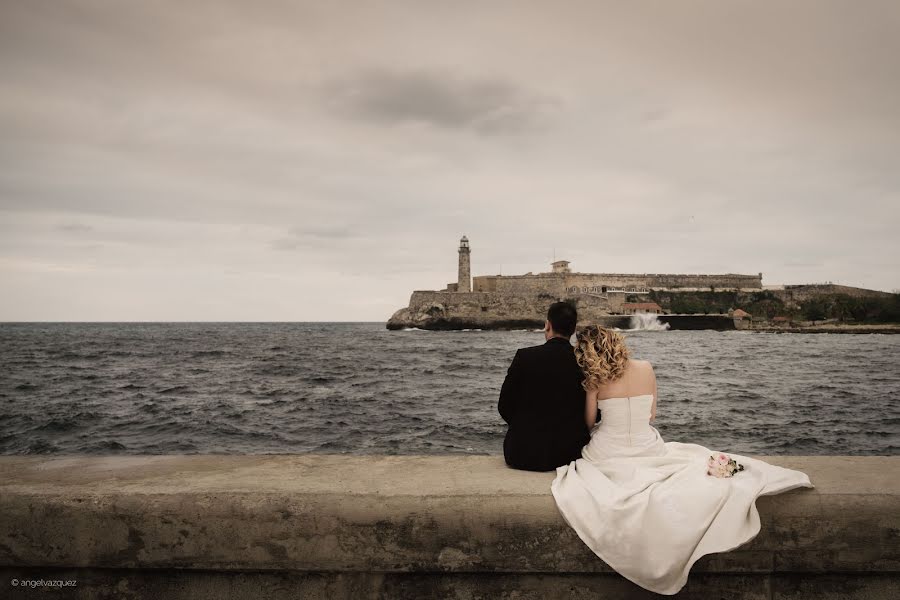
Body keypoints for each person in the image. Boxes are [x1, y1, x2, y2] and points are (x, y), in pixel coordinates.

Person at [551, 326, 813, 595]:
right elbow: (651, 415)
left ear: (589, 352)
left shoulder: (595, 379)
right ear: (617, 342)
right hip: (648, 446)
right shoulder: (646, 368)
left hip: (608, 449)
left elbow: (589, 422)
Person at [498, 301, 590, 471]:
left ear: (547, 326)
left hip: (521, 452)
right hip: (569, 454)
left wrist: (524, 427)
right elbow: (592, 413)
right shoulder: (585, 362)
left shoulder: (524, 357)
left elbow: (504, 405)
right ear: (573, 329)